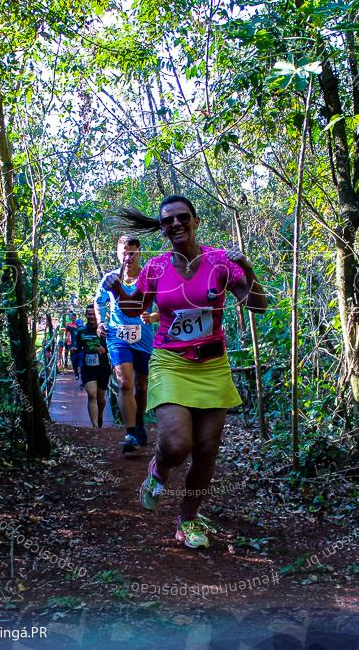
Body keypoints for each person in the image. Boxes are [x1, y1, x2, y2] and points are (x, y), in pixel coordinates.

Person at [102, 195, 267, 548]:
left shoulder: (220, 262)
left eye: (181, 218)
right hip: (170, 362)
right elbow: (134, 308)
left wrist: (248, 269)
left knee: (206, 450)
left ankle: (188, 519)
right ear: (163, 229)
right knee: (177, 445)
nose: (175, 224)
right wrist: (116, 287)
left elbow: (257, 305)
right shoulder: (157, 268)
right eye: (167, 221)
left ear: (195, 221)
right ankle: (158, 472)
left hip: (212, 364)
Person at [94, 235, 158, 452]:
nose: (128, 257)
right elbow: (99, 301)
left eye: (132, 252)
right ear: (117, 253)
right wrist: (101, 322)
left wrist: (153, 317)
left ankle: (139, 422)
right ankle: (130, 433)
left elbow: (163, 305)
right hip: (117, 336)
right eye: (124, 252)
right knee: (125, 383)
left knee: (142, 384)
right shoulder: (110, 279)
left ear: (139, 253)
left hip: (144, 336)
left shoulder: (149, 277)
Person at [77, 306, 111, 428]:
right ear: (85, 315)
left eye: (93, 314)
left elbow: (113, 347)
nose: (91, 317)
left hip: (103, 367)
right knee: (92, 395)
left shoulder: (105, 330)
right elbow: (77, 348)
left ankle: (100, 414)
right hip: (88, 367)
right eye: (89, 314)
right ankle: (95, 427)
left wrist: (105, 350)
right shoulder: (81, 331)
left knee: (101, 399)